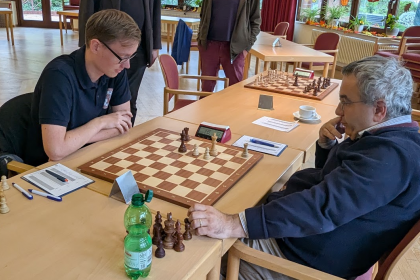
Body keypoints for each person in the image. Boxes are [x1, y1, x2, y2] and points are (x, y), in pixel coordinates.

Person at [187, 56, 420, 279]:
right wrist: (327, 145)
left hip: (298, 258)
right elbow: (337, 181)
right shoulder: (389, 139)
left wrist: (231, 224)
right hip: (307, 241)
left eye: (346, 102)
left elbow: (321, 208)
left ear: (379, 110)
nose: (339, 111)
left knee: (197, 253)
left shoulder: (391, 157)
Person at [24, 9, 140, 166]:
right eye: (123, 57)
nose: (127, 65)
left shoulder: (114, 70)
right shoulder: (59, 75)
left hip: (94, 155)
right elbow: (56, 151)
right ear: (96, 46)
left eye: (131, 56)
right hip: (49, 168)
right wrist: (100, 123)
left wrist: (73, 140)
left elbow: (125, 125)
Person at [78, 0, 162, 125]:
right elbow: (88, 5)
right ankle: (98, 138)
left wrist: (154, 44)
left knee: (130, 99)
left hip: (140, 45)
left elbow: (155, 5)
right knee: (101, 100)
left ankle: (124, 138)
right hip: (107, 46)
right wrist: (86, 42)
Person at [198, 0, 261, 92]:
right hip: (209, 45)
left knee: (234, 89)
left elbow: (255, 22)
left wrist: (246, 47)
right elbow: (203, 14)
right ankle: (204, 106)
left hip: (236, 48)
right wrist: (201, 38)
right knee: (206, 88)